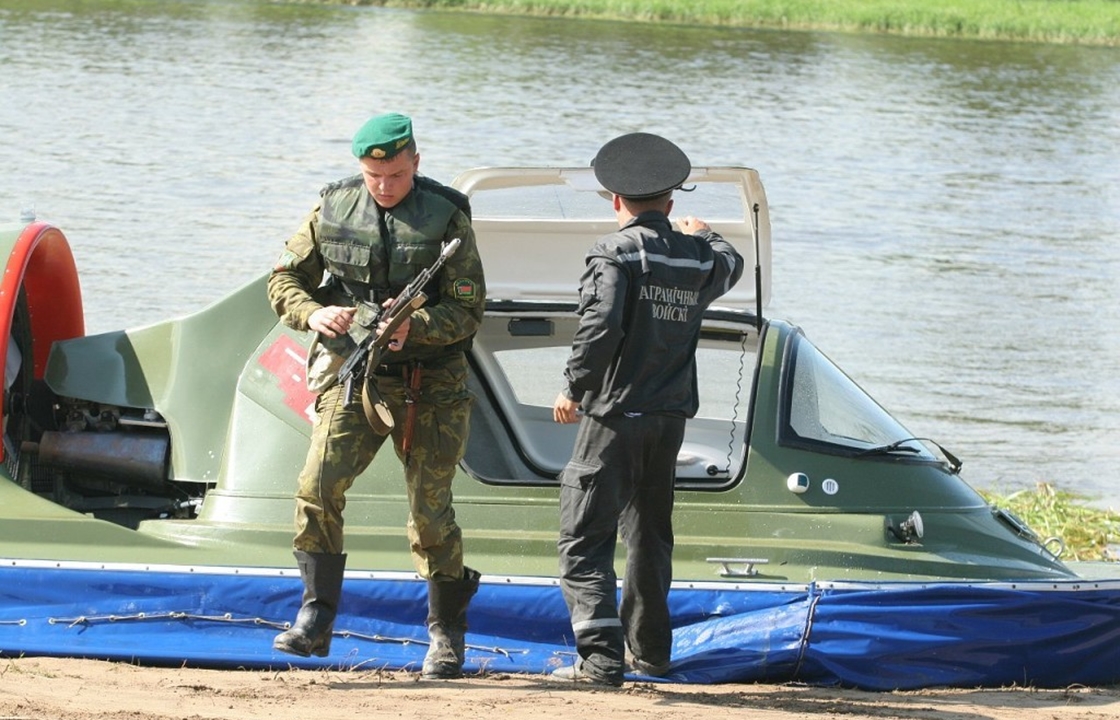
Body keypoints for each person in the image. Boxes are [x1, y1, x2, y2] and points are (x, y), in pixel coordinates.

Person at [267, 112, 486, 680]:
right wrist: (317, 313)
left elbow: (468, 310)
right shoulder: (331, 209)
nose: (384, 187)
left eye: (394, 175)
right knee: (316, 485)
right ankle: (315, 619)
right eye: (373, 176)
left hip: (431, 383)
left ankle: (445, 638)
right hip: (355, 371)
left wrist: (419, 326)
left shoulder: (447, 215)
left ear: (415, 160)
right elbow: (282, 281)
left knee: (429, 512)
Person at [550, 132, 745, 687]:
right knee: (649, 538)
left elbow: (601, 325)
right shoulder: (694, 254)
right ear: (671, 203)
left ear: (615, 200)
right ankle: (653, 654)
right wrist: (705, 233)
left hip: (614, 416)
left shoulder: (614, 252)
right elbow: (729, 265)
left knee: (584, 535)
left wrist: (573, 387)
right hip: (668, 421)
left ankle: (601, 660)